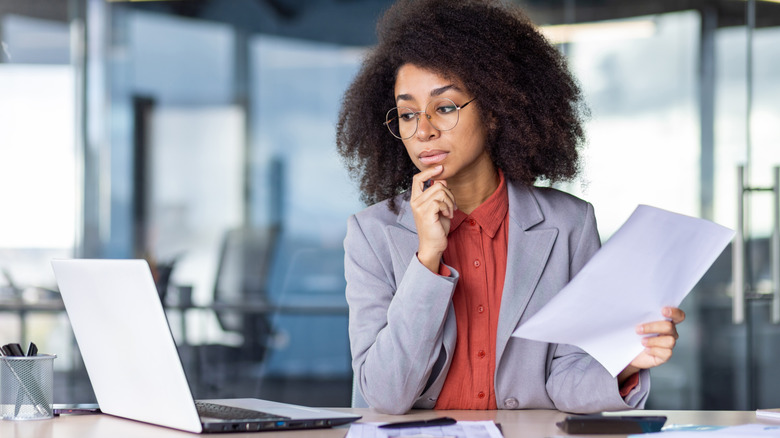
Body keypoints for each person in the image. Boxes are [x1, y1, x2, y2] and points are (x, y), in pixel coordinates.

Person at [335, 0, 685, 415]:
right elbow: (385, 393)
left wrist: (627, 361)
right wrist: (427, 257)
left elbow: (565, 377)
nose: (423, 130)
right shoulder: (372, 233)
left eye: (444, 107)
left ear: (496, 110)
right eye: (408, 114)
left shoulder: (568, 223)